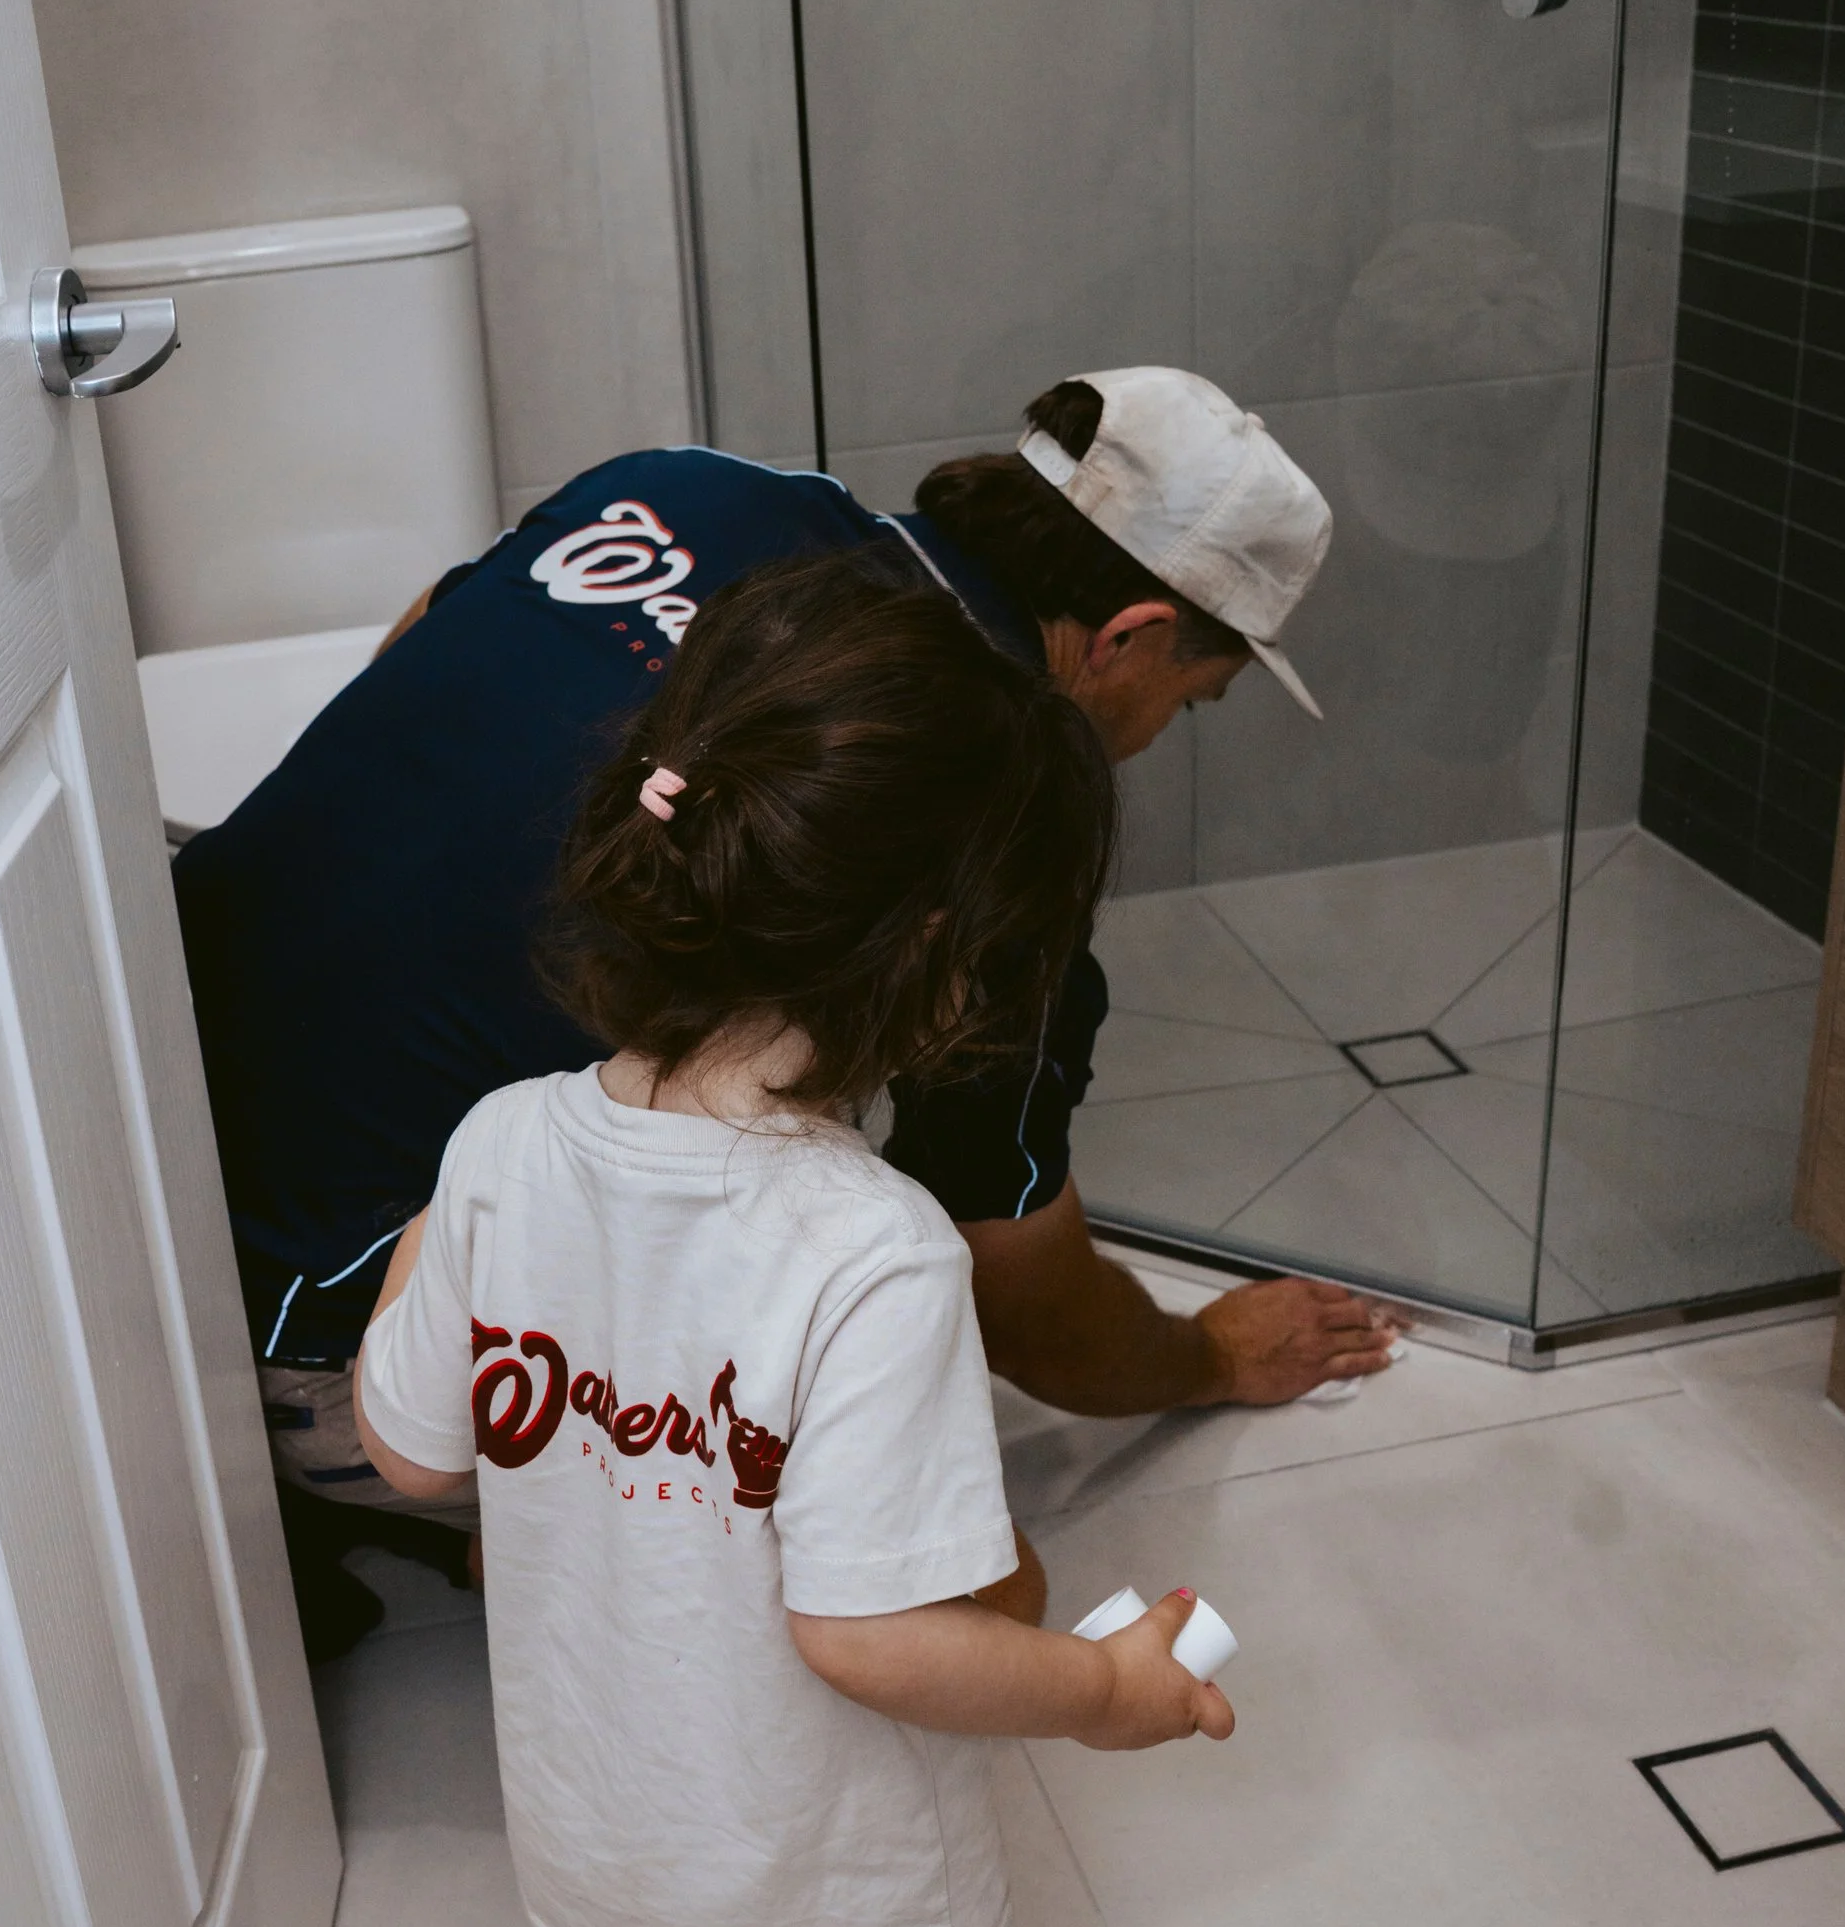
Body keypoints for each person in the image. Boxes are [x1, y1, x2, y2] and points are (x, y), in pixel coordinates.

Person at [350, 549, 1235, 1927]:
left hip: (610, 1813)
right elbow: (871, 1628)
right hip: (820, 1848)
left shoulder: (496, 1143)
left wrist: (464, 1229)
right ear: (932, 957)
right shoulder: (868, 1247)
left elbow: (407, 1443)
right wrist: (1103, 1687)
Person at [171, 364, 1394, 1637]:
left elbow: (420, 640)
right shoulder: (989, 851)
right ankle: (382, 1504)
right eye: (1189, 702)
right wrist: (1205, 1355)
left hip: (123, 1137)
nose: (1155, 735)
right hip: (314, 1353)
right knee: (924, 1555)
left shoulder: (680, 488)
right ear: (1131, 635)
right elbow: (1030, 1314)